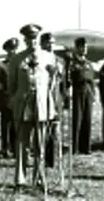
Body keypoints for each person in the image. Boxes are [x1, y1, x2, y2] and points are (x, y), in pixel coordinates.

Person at [9, 24, 57, 190]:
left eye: (35, 38)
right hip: (23, 105)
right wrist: (17, 101)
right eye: (29, 38)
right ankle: (20, 180)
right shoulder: (17, 59)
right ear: (24, 40)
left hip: (42, 105)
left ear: (38, 39)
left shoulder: (49, 57)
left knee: (40, 144)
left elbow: (52, 83)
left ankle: (39, 178)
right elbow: (12, 85)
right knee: (22, 143)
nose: (32, 41)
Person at [40, 32, 64, 168]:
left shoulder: (59, 60)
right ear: (42, 43)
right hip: (42, 98)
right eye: (48, 42)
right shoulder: (38, 59)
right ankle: (40, 157)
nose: (50, 45)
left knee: (54, 129)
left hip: (55, 98)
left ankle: (52, 158)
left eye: (52, 42)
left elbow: (63, 82)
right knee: (42, 128)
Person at [0, 37, 19, 158]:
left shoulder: (19, 65)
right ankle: (4, 149)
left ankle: (14, 148)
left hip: (18, 100)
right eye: (11, 49)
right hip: (6, 100)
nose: (13, 52)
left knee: (16, 126)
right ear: (7, 50)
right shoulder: (1, 66)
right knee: (6, 126)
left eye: (15, 49)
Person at [69, 37, 95, 154]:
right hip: (77, 92)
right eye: (82, 47)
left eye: (86, 47)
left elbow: (92, 80)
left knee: (87, 119)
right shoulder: (72, 63)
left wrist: (93, 94)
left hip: (88, 92)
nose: (85, 49)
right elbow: (68, 79)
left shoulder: (89, 63)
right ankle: (74, 148)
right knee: (77, 120)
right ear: (77, 48)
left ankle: (86, 147)